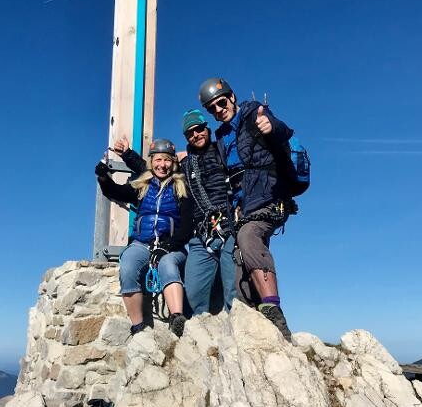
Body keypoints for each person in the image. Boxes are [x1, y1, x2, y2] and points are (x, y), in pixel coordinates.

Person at [198, 77, 295, 340]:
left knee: (249, 237)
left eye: (221, 103)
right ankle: (255, 321)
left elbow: (283, 130)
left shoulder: (253, 112)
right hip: (243, 205)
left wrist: (270, 126)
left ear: (231, 97)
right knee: (239, 264)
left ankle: (274, 314)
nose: (218, 110)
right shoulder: (221, 136)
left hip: (269, 198)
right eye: (212, 109)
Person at [95, 138, 193, 338]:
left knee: (167, 265)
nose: (162, 165)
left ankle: (176, 318)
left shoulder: (181, 187)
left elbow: (187, 226)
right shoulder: (142, 186)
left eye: (167, 160)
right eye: (158, 160)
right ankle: (138, 328)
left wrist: (167, 246)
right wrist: (103, 177)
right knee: (128, 265)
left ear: (173, 163)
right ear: (151, 162)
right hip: (141, 243)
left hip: (171, 245)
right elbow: (116, 191)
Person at [180, 108, 236, 315]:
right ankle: (201, 335)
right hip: (201, 234)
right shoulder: (184, 165)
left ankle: (238, 333)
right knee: (193, 291)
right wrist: (128, 156)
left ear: (207, 128)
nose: (196, 135)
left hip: (230, 227)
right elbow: (157, 168)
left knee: (233, 288)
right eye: (190, 133)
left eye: (200, 129)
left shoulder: (224, 152)